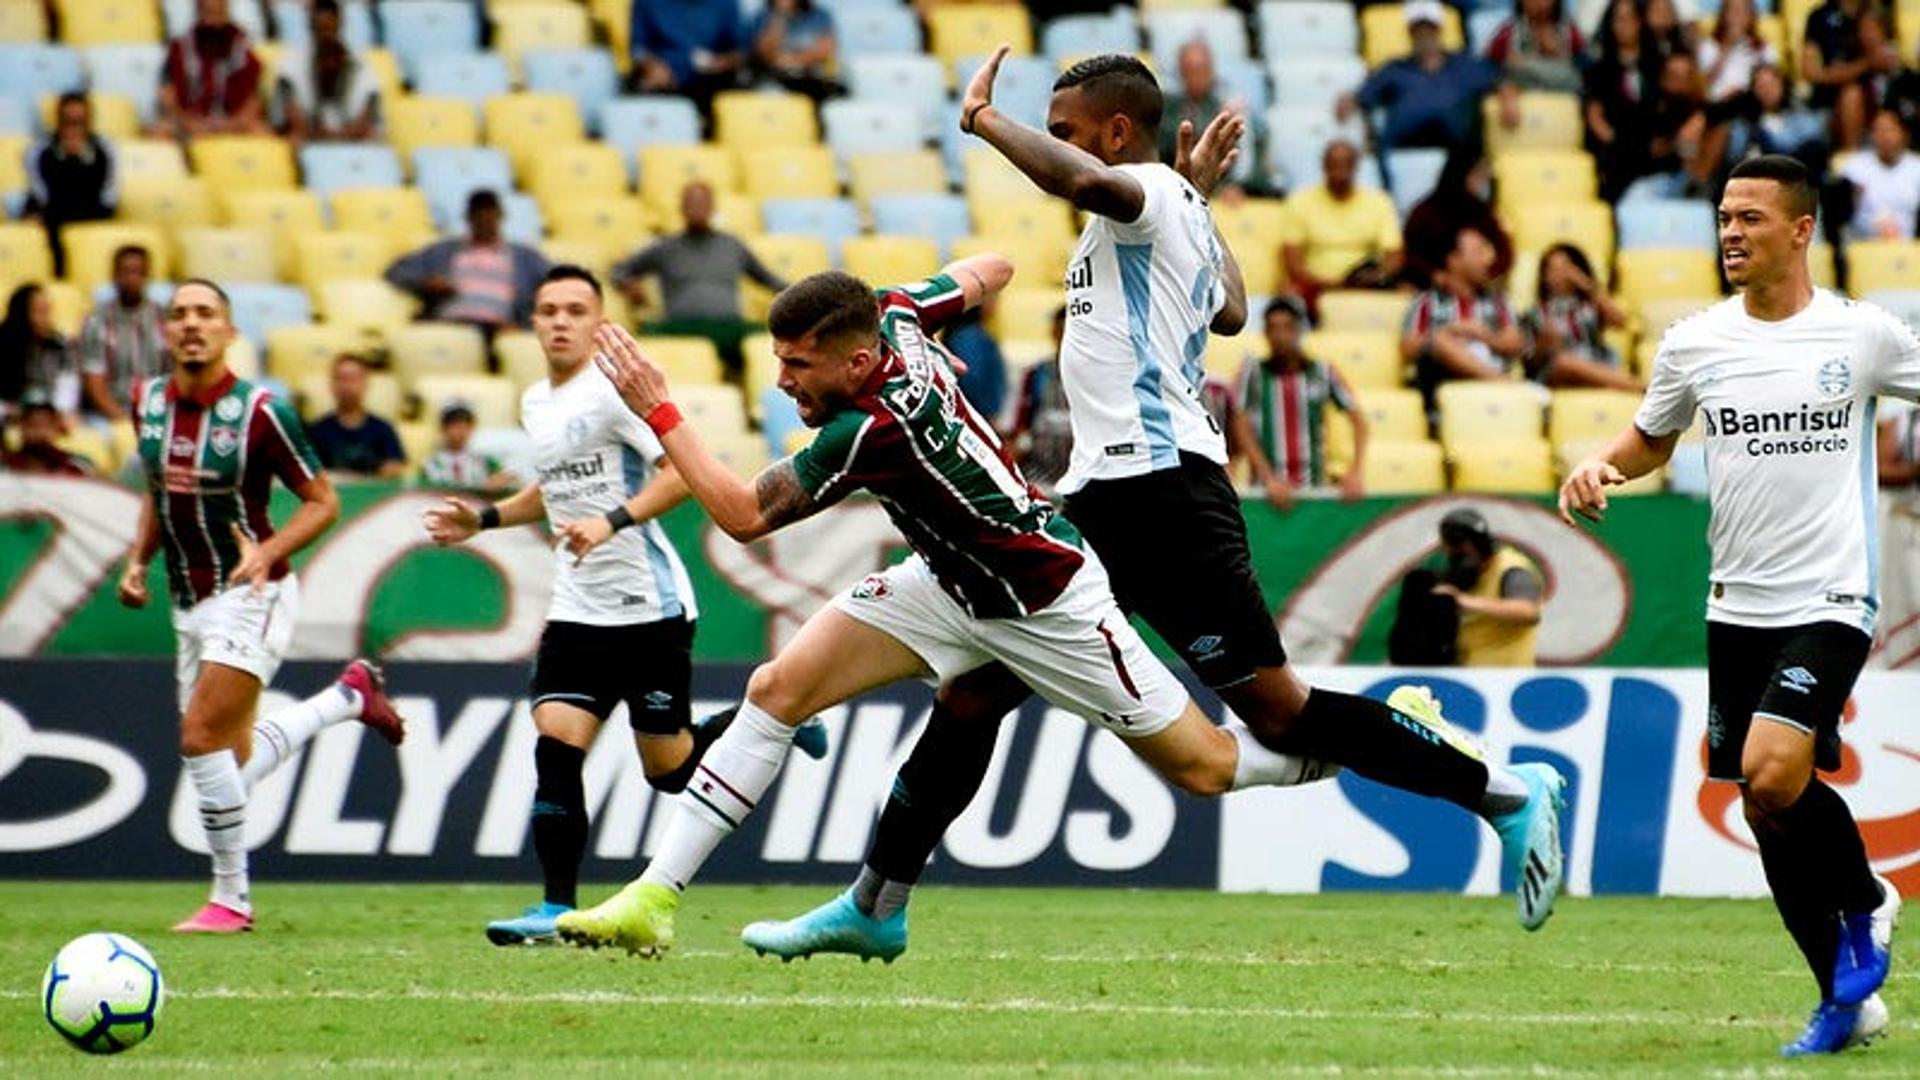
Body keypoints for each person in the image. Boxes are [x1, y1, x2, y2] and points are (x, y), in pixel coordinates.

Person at [738, 50, 1567, 963]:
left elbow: (1098, 189)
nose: (1058, 149)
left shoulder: (1140, 193)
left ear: (1116, 132)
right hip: (1102, 497)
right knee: (972, 695)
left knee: (1278, 714)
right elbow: (1231, 313)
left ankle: (1500, 787)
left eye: (1066, 129)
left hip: (1165, 494)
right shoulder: (1157, 209)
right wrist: (1197, 203)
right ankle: (875, 903)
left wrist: (987, 120)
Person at [559, 255, 1342, 957]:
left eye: (797, 364)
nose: (783, 381)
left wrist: (659, 408)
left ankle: (1355, 753)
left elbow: (740, 515)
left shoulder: (871, 428)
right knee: (776, 690)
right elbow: (997, 267)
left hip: (1045, 603)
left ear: (858, 362)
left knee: (1206, 767)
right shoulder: (895, 313)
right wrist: (943, 330)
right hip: (945, 583)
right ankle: (652, 900)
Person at [1560, 154, 1904, 1056]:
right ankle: (1841, 999)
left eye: (1751, 217)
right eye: (1723, 217)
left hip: (1831, 595)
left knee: (1776, 771)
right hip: (1736, 605)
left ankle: (1869, 902)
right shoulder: (1695, 342)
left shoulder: (1860, 336)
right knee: (1764, 805)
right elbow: (1651, 437)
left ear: (1801, 230)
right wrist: (1600, 465)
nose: (1730, 233)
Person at [421, 265, 827, 946]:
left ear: (599, 322)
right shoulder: (536, 403)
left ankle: (772, 721)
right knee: (556, 746)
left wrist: (611, 521)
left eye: (575, 310)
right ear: (532, 322)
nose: (559, 321)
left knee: (668, 772)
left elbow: (680, 475)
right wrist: (485, 519)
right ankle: (555, 908)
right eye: (548, 309)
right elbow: (550, 492)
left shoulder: (612, 394)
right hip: (578, 609)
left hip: (649, 608)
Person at [118, 279, 405, 933]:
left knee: (199, 739)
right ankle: (348, 697)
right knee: (229, 766)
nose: (192, 325)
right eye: (180, 314)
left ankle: (231, 900)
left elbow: (323, 501)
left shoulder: (260, 412)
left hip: (255, 591)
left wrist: (267, 550)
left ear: (229, 332)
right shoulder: (147, 401)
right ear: (166, 332)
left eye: (206, 314)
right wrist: (138, 561)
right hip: (188, 600)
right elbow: (159, 493)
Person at [613, 182, 787, 378]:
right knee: (642, 342)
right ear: (681, 209)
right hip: (680, 329)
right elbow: (620, 271)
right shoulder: (665, 247)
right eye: (691, 203)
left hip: (729, 328)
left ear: (712, 208)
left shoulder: (732, 245)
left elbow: (770, 280)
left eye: (702, 203)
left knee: (771, 341)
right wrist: (630, 286)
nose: (697, 208)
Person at [1233, 296, 1367, 509]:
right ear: (1265, 333)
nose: (1280, 336)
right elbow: (1240, 425)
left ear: (1299, 330)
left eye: (1287, 328)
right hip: (1266, 491)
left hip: (1313, 489)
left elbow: (1359, 421)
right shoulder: (1253, 372)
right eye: (1273, 328)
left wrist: (1355, 472)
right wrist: (1268, 478)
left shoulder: (1323, 372)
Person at [1341, 1, 1502, 152]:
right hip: (1404, 150)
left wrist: (1507, 92)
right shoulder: (1395, 68)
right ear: (1410, 32)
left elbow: (1497, 80)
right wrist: (1352, 100)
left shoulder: (1464, 65)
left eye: (1429, 28)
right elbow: (1365, 94)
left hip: (1454, 154)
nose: (1424, 34)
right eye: (1418, 29)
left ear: (1439, 30)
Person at [385, 190, 550, 333]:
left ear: (500, 216)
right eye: (478, 214)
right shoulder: (443, 251)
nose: (484, 219)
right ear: (468, 217)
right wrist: (426, 283)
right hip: (450, 324)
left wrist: (526, 322)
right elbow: (396, 272)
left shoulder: (524, 257)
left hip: (499, 329)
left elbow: (559, 283)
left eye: (489, 213)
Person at [1405, 225, 1526, 404]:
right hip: (1446, 380)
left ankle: (1498, 382)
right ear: (1454, 259)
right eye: (1479, 251)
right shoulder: (1428, 301)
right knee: (1440, 340)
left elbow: (1515, 344)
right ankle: (1507, 385)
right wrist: (1452, 330)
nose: (1489, 259)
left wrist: (1482, 334)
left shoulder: (1498, 301)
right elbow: (1408, 347)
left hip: (1491, 372)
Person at [1281, 139, 1403, 306]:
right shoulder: (1300, 201)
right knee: (1288, 293)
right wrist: (1332, 285)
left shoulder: (1379, 202)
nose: (1340, 172)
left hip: (1366, 285)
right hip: (1315, 288)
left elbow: (1394, 255)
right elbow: (1293, 260)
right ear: (1324, 167)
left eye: (1346, 165)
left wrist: (1377, 276)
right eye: (1334, 165)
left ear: (1356, 167)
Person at [1432, 507, 1544, 666]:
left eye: (1457, 550)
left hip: (1506, 678)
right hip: (1471, 674)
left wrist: (1464, 601)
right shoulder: (1465, 574)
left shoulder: (1512, 570)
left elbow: (1528, 612)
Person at [1524, 243, 1641, 390]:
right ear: (1544, 277)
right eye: (1552, 269)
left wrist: (1587, 285)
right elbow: (1529, 360)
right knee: (1563, 362)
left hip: (1596, 363)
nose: (1559, 275)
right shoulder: (1536, 312)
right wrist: (1543, 344)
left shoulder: (1589, 305)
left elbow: (1621, 321)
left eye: (1565, 268)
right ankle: (1640, 387)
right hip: (1557, 372)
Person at [77, 245, 168, 426]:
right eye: (125, 271)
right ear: (114, 275)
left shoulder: (165, 318)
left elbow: (178, 374)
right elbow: (94, 382)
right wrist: (123, 422)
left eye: (137, 272)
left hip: (159, 412)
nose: (131, 278)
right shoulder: (97, 320)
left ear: (147, 275)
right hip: (110, 416)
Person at [1401, 146, 1514, 288]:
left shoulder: (1480, 211)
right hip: (1429, 287)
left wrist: (1487, 274)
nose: (1481, 182)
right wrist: (1438, 277)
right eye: (1476, 175)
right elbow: (1410, 257)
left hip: (1475, 288)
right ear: (1461, 175)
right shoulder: (1424, 213)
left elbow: (1505, 251)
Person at [275, 0, 381, 148]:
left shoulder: (361, 66)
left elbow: (367, 118)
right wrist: (321, 136)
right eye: (319, 28)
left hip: (352, 139)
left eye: (329, 28)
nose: (325, 35)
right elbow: (293, 117)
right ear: (310, 26)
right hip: (308, 140)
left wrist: (340, 137)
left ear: (339, 24)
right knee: (292, 139)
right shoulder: (291, 65)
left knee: (374, 138)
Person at [155, 0, 269, 138]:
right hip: (188, 125)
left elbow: (254, 102)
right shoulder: (179, 50)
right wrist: (189, 124)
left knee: (263, 135)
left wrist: (230, 125)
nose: (213, 20)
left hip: (233, 125)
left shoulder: (243, 52)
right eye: (208, 13)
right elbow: (168, 98)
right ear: (198, 12)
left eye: (218, 13)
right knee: (160, 133)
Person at [629, 0, 747, 112]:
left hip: (712, 82)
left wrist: (723, 63)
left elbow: (740, 51)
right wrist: (652, 65)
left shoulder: (725, 3)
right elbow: (638, 48)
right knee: (643, 88)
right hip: (666, 82)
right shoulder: (648, 2)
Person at [1005, 305, 1072, 495]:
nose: (1064, 338)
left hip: (1079, 478)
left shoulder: (1094, 377)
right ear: (1053, 332)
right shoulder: (1036, 374)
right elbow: (1019, 427)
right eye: (1060, 331)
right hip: (1038, 476)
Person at [304, 354, 405, 478]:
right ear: (331, 385)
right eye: (340, 379)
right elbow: (311, 473)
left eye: (352, 379)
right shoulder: (317, 431)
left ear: (366, 384)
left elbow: (395, 466)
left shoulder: (383, 429)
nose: (346, 386)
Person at [0, 284, 80, 425]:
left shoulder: (59, 345)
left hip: (50, 418)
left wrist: (58, 412)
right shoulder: (4, 345)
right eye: (39, 311)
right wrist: (8, 411)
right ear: (21, 314)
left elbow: (68, 387)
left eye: (48, 311)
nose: (46, 318)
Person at [1840, 107, 1920, 240]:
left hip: (1910, 248)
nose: (1885, 136)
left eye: (1890, 130)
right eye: (1879, 130)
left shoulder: (1917, 168)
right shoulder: (1854, 167)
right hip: (1862, 248)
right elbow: (1842, 216)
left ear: (1904, 133)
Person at [1485, 0, 1586, 95]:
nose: (1538, 2)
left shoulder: (1569, 32)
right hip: (1524, 101)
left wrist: (1557, 53)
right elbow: (1488, 70)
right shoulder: (1508, 33)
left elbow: (1583, 71)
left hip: (1563, 100)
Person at [748, 0, 840, 102]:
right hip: (777, 79)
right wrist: (780, 15)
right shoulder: (763, 15)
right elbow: (764, 52)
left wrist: (795, 60)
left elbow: (827, 48)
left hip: (811, 78)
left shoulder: (819, 15)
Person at [416, 400, 511, 492]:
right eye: (455, 425)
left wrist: (503, 481)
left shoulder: (486, 461)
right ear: (442, 428)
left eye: (466, 425)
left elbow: (509, 481)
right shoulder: (429, 464)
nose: (461, 431)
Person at [1697, 0, 1778, 107]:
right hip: (1718, 105)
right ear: (1723, 15)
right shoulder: (1709, 46)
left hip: (1752, 105)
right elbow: (1704, 84)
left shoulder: (1763, 48)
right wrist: (1727, 47)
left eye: (1742, 11)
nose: (1736, 16)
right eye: (1732, 11)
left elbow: (1771, 83)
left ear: (1751, 16)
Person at [3, 396, 95, 476]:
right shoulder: (5, 466)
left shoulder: (78, 466)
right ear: (22, 427)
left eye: (44, 426)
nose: (39, 432)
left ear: (56, 429)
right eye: (33, 425)